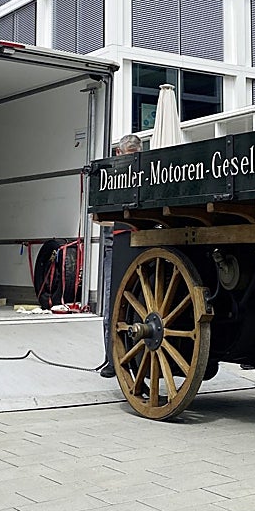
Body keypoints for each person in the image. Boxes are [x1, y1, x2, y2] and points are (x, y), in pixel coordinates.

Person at [99, 134, 142, 378]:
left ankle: (122, 356)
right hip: (116, 242)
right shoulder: (111, 176)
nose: (132, 160)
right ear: (118, 153)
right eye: (129, 155)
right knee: (111, 304)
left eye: (135, 155)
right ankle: (110, 357)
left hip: (133, 240)